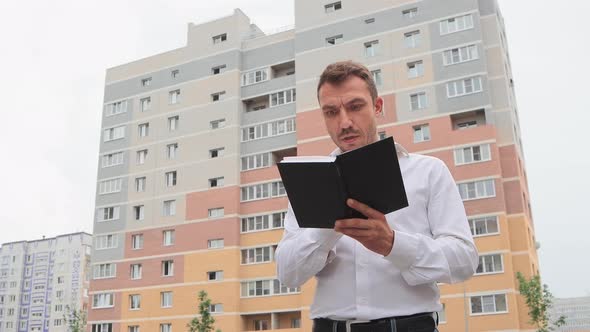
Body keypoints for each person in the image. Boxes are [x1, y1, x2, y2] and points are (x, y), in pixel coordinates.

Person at [275, 61, 479, 332]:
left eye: (356, 107)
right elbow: (288, 275)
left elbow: (464, 260)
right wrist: (327, 230)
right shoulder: (310, 181)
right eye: (331, 112)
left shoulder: (427, 171)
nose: (345, 122)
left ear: (378, 107)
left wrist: (393, 244)